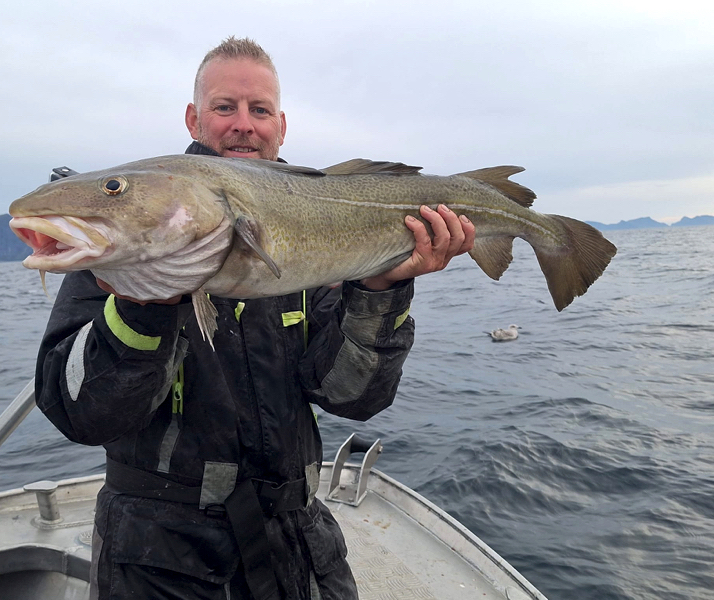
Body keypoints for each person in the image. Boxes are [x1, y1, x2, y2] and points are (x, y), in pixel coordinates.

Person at [35, 36, 475, 600]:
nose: (243, 124)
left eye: (259, 110)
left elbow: (351, 397)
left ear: (281, 127)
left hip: (300, 547)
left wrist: (379, 288)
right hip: (158, 560)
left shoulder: (316, 228)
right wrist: (143, 307)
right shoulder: (118, 248)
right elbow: (79, 413)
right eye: (225, 107)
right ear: (194, 118)